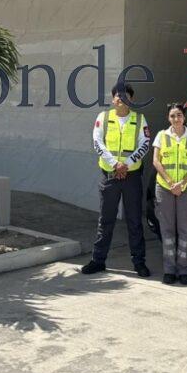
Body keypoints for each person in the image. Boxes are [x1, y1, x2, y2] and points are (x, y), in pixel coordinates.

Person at [82, 84, 151, 277]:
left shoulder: (140, 119)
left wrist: (126, 164)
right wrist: (115, 164)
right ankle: (98, 261)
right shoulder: (103, 117)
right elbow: (97, 143)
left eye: (125, 95)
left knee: (134, 221)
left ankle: (139, 262)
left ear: (132, 99)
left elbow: (144, 144)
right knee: (106, 220)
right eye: (118, 96)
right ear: (113, 99)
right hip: (110, 175)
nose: (121, 98)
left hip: (132, 177)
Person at [152, 103, 187, 285]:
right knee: (167, 229)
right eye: (173, 115)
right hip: (164, 187)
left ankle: (184, 270)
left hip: (186, 188)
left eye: (179, 115)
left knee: (185, 229)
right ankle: (169, 270)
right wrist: (171, 182)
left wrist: (182, 183)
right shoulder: (161, 136)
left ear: (184, 117)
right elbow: (156, 161)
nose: (176, 119)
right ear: (168, 118)